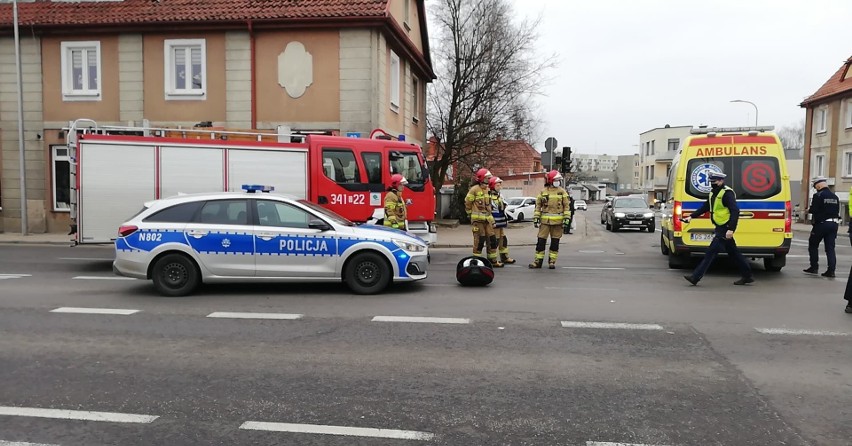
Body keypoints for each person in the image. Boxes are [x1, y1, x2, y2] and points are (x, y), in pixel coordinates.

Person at [682, 171, 754, 286]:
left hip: (725, 227)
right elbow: (705, 207)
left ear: (721, 181)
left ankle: (695, 277)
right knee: (734, 252)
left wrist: (731, 229)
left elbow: (735, 211)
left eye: (714, 181)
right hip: (720, 226)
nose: (712, 183)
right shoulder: (713, 193)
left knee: (711, 252)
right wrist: (691, 216)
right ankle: (747, 275)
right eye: (711, 182)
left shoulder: (727, 193)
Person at [529, 170, 571, 269]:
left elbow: (567, 206)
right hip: (545, 222)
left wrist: (566, 218)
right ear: (551, 180)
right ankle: (537, 262)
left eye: (559, 180)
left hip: (558, 222)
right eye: (556, 180)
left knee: (555, 243)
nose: (558, 182)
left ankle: (552, 261)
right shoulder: (543, 192)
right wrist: (536, 218)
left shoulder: (562, 192)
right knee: (541, 242)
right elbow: (538, 206)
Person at [465, 168, 503, 267]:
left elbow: (488, 206)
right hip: (478, 221)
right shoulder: (474, 189)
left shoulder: (487, 190)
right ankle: (476, 262)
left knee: (492, 240)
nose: (488, 180)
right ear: (481, 178)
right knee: (479, 241)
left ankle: (493, 261)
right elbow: (468, 203)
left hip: (488, 220)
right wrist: (470, 214)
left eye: (489, 178)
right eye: (487, 178)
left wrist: (492, 220)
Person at [803, 176, 840, 277]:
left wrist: (808, 210)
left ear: (818, 185)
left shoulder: (818, 195)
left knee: (813, 244)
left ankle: (814, 267)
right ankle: (831, 270)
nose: (815, 188)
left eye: (815, 186)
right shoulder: (835, 197)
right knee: (830, 248)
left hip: (822, 224)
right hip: (834, 224)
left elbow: (814, 209)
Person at [488, 176, 516, 264]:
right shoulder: (489, 197)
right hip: (494, 223)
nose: (500, 187)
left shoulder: (500, 196)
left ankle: (504, 257)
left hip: (501, 223)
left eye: (500, 185)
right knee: (494, 241)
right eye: (497, 185)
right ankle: (493, 260)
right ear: (492, 186)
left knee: (503, 240)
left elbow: (504, 206)